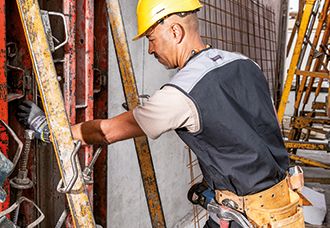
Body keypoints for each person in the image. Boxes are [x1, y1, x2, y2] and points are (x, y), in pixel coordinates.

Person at [17, 0, 305, 227]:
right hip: (284, 208)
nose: (151, 49)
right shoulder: (244, 63)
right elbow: (241, 129)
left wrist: (51, 129)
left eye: (152, 38)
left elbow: (106, 131)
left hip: (249, 219)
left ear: (175, 31)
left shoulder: (182, 93)